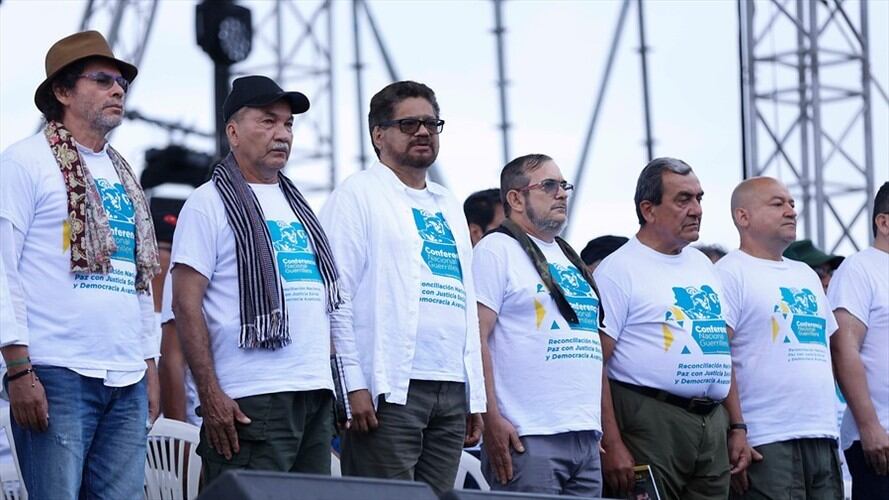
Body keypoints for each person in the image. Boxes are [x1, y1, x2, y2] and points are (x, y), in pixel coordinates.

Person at [170, 75, 361, 484]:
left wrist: (338, 385)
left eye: (288, 124)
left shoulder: (301, 204)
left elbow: (327, 304)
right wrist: (210, 394)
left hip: (313, 392)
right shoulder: (208, 203)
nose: (282, 134)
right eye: (268, 121)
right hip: (250, 396)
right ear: (233, 132)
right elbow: (185, 304)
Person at [0, 30, 161, 499]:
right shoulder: (23, 163)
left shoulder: (123, 172)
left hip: (126, 377)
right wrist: (18, 368)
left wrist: (148, 364)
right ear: (63, 91)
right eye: (103, 80)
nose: (118, 90)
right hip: (55, 373)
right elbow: (2, 268)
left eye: (121, 83)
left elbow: (139, 279)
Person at [319, 80, 485, 495]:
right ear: (379, 135)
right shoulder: (357, 194)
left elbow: (465, 304)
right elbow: (334, 296)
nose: (423, 132)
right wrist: (352, 384)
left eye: (431, 123)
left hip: (450, 389)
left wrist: (473, 396)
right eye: (409, 124)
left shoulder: (448, 203)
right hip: (389, 387)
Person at [594, 157, 738, 499]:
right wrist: (611, 442)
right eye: (683, 200)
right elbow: (595, 362)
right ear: (649, 209)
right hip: (651, 423)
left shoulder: (703, 264)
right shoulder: (619, 270)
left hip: (712, 424)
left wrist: (737, 426)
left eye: (699, 198)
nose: (696, 209)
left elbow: (721, 348)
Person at [473, 154, 605, 495]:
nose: (561, 193)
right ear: (516, 199)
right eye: (549, 185)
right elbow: (475, 338)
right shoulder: (496, 250)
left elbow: (591, 347)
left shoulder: (566, 254)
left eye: (564, 185)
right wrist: (491, 420)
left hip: (584, 436)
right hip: (527, 435)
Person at [716, 177, 843, 499]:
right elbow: (718, 355)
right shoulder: (729, 273)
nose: (790, 211)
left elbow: (829, 349)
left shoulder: (806, 275)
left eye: (792, 204)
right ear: (742, 217)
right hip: (766, 439)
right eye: (777, 204)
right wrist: (737, 428)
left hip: (822, 433)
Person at [829, 181, 889, 500]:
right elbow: (843, 346)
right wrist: (869, 425)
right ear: (884, 222)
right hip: (882, 441)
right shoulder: (860, 268)